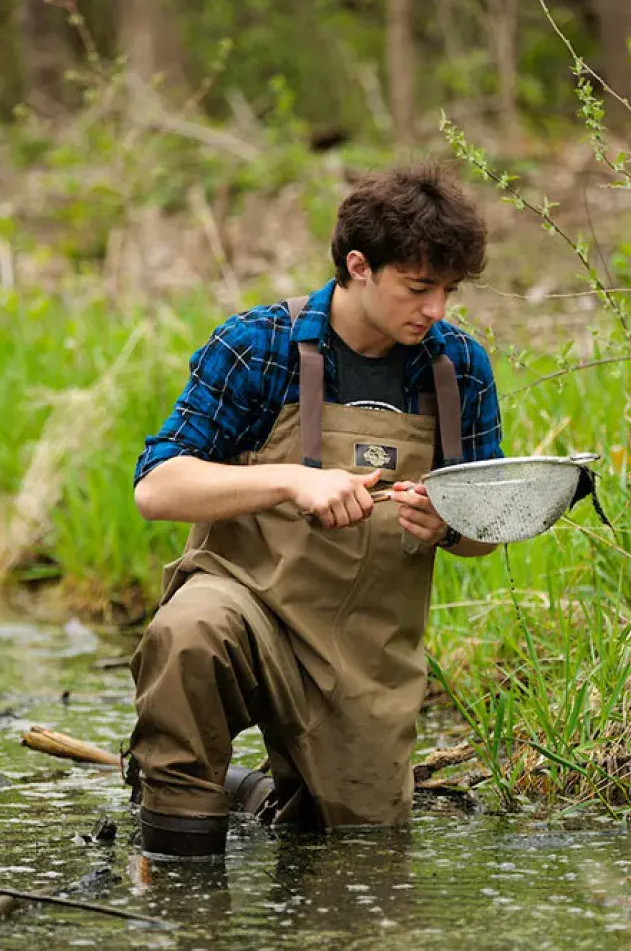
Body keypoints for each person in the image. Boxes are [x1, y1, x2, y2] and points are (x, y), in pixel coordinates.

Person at [128, 163, 504, 860]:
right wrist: (289, 484)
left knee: (358, 855)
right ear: (358, 266)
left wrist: (451, 528)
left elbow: (484, 532)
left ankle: (266, 792)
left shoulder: (459, 370)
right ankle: (178, 869)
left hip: (366, 656)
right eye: (419, 289)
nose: (437, 311)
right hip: (247, 610)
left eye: (450, 291)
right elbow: (158, 487)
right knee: (189, 632)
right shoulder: (257, 346)